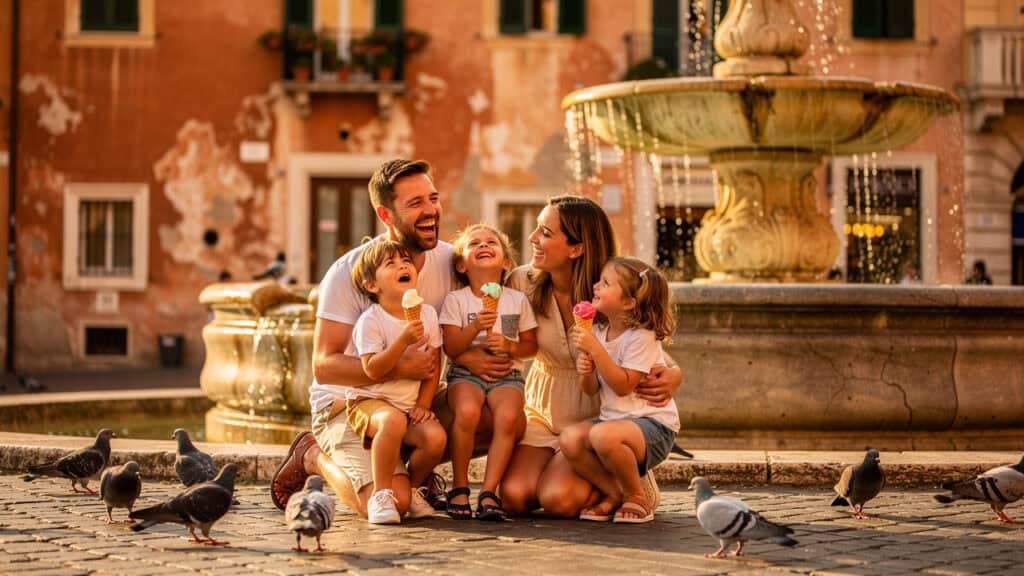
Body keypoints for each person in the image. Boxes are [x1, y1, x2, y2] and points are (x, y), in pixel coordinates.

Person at [455, 195, 683, 518]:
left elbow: (646, 339)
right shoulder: (522, 282)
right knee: (514, 496)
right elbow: (480, 314)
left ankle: (629, 482)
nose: (532, 239)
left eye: (545, 233)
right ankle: (586, 474)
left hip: (596, 413)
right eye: (536, 229)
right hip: (542, 407)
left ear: (576, 248)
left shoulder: (608, 289)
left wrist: (674, 372)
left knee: (559, 500)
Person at [270, 159, 456, 519]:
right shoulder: (349, 273)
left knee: (490, 409)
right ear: (386, 215)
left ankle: (410, 471)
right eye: (415, 203)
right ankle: (313, 455)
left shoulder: (450, 260)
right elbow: (324, 367)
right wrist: (398, 366)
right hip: (350, 405)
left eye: (433, 198)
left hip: (413, 399)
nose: (431, 210)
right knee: (393, 505)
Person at [562, 257, 679, 524]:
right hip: (614, 423)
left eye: (605, 283)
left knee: (602, 435)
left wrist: (595, 350)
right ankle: (614, 492)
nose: (595, 286)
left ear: (628, 303)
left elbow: (623, 385)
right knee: (570, 439)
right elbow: (591, 389)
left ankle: (637, 497)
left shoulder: (642, 336)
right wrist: (586, 370)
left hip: (653, 427)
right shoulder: (600, 331)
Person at [439, 224, 538, 521]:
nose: (484, 245)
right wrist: (475, 327)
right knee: (467, 412)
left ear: (506, 262)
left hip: (507, 375)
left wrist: (510, 345)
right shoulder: (457, 300)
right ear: (461, 264)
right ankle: (459, 485)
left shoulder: (516, 300)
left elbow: (530, 345)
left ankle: (489, 491)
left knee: (507, 417)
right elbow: (451, 348)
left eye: (492, 242)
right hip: (464, 375)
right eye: (475, 243)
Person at [348, 239, 447, 523]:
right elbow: (371, 369)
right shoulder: (372, 321)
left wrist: (424, 403)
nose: (403, 265)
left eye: (405, 261)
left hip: (406, 406)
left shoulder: (426, 314)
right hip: (368, 402)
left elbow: (433, 363)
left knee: (435, 437)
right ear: (372, 286)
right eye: (390, 264)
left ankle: (412, 488)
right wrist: (402, 340)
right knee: (392, 421)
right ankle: (382, 494)